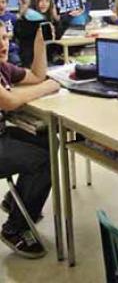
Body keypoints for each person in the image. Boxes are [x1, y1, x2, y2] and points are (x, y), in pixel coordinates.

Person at [0, 23, 60, 259]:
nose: (2, 44)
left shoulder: (3, 68)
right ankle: (15, 228)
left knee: (47, 139)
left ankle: (17, 202)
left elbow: (36, 75)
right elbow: (8, 101)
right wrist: (47, 87)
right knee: (42, 161)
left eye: (5, 38)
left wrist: (40, 43)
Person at [14, 0, 66, 67]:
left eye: (47, 1)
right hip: (32, 60)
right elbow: (52, 38)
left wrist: (57, 19)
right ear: (34, 1)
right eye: (41, 0)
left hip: (46, 57)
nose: (44, 4)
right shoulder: (29, 17)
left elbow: (57, 39)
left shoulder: (48, 17)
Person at [0, 0, 20, 65]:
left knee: (15, 61)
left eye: (3, 2)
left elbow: (18, 31)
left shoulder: (12, 16)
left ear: (7, 3)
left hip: (11, 48)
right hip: (1, 46)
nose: (0, 5)